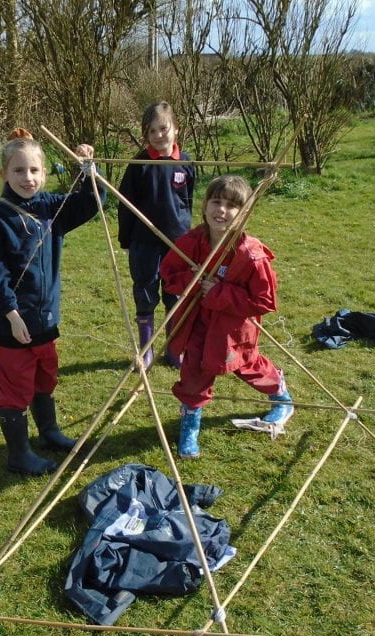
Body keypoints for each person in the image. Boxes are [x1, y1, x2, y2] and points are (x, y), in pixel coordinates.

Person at [0, 128, 104, 475]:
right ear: (4, 174)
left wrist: (88, 170)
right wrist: (10, 313)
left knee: (44, 380)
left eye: (34, 170)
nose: (27, 178)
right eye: (18, 171)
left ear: (45, 173)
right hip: (13, 325)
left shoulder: (50, 208)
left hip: (46, 319)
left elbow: (93, 202)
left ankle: (49, 432)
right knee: (17, 388)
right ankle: (19, 454)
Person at [160, 175, 293, 459]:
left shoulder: (252, 256)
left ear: (244, 212)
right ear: (205, 205)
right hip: (196, 322)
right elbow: (169, 275)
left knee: (248, 365)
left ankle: (280, 394)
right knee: (194, 371)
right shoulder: (192, 242)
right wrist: (192, 279)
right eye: (215, 202)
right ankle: (191, 424)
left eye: (231, 205)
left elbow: (264, 301)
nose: (221, 210)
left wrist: (220, 293)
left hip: (233, 328)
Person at [118, 102, 197, 368]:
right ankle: (147, 348)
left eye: (163, 128)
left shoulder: (185, 163)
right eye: (152, 131)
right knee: (145, 291)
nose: (159, 135)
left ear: (176, 128)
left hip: (177, 243)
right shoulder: (139, 165)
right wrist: (126, 240)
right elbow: (125, 204)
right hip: (144, 243)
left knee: (175, 292)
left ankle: (173, 349)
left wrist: (189, 235)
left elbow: (188, 200)